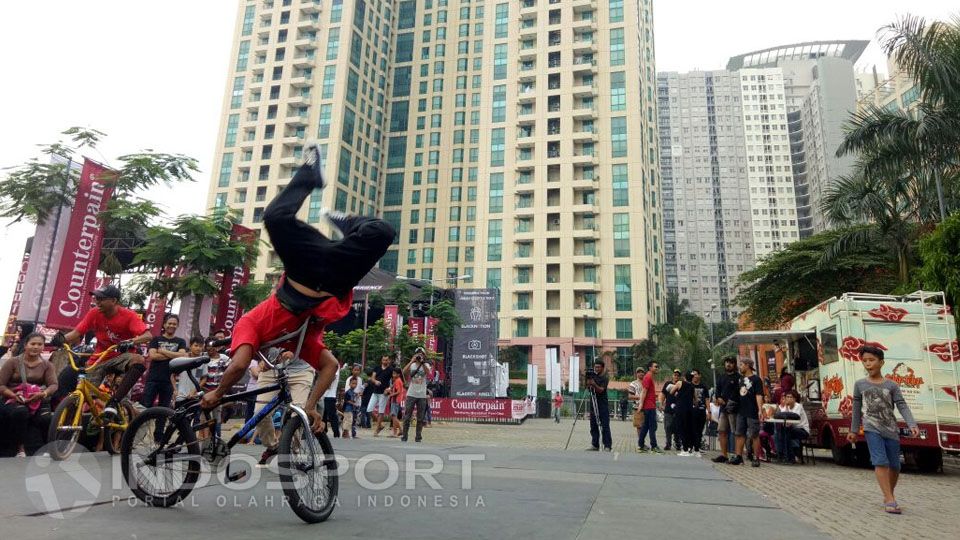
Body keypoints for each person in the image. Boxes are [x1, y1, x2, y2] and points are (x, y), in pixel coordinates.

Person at [200, 147, 395, 435]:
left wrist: (217, 394)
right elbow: (329, 367)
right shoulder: (299, 341)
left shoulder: (250, 323)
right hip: (335, 280)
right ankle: (350, 226)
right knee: (382, 232)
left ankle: (314, 180)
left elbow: (239, 364)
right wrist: (310, 405)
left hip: (303, 272)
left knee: (276, 217)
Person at [52, 284, 153, 418]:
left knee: (138, 360)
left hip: (120, 357)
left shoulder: (129, 316)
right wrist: (61, 339)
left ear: (114, 301)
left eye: (101, 298)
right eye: (96, 298)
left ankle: (114, 401)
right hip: (100, 357)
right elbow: (77, 332)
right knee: (85, 394)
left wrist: (130, 342)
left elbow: (148, 336)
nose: (97, 301)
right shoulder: (94, 313)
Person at [849, 346, 918, 514]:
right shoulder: (860, 385)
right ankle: (889, 498)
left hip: (891, 429)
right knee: (880, 461)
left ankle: (889, 494)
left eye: (871, 360)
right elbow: (856, 408)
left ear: (881, 362)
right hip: (871, 428)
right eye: (864, 361)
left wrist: (912, 424)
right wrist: (853, 430)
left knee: (895, 466)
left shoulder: (892, 385)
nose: (868, 364)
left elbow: (902, 405)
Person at [253, 346, 317, 465]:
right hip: (271, 369)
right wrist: (261, 359)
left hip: (301, 370)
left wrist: (299, 350)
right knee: (260, 413)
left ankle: (293, 450)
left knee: (298, 415)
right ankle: (273, 447)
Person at [0, 333, 58, 457]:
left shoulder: (47, 365)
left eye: (39, 344)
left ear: (43, 347)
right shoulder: (13, 362)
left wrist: (43, 394)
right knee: (21, 412)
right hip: (12, 398)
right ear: (26, 345)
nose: (35, 347)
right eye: (33, 344)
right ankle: (20, 449)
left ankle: (45, 448)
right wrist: (13, 395)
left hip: (36, 400)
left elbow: (53, 385)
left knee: (46, 418)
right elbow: (1, 385)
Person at [141, 314, 187, 408]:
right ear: (164, 325)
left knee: (163, 410)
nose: (172, 326)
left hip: (169, 380)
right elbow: (153, 356)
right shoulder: (156, 339)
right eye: (169, 323)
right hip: (153, 379)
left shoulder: (181, 341)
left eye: (174, 324)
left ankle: (160, 424)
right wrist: (174, 354)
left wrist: (162, 351)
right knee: (145, 407)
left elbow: (182, 355)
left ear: (177, 326)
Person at [730, 358, 764, 467]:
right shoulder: (740, 380)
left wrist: (759, 409)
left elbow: (759, 395)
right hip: (741, 410)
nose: (740, 367)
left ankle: (756, 457)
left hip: (752, 410)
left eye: (741, 364)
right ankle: (739, 457)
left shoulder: (756, 379)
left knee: (754, 434)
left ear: (748, 365)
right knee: (739, 433)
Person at [712, 356, 740, 463]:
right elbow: (717, 389)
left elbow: (738, 392)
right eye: (727, 362)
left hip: (734, 409)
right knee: (722, 431)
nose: (728, 364)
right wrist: (718, 398)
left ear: (734, 364)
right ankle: (724, 455)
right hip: (723, 409)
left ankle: (737, 455)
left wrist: (727, 400)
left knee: (735, 432)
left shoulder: (738, 377)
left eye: (731, 362)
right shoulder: (721, 377)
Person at [401, 348, 431, 442]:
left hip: (422, 394)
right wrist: (411, 361)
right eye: (418, 354)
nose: (419, 355)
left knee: (420, 417)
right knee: (407, 416)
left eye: (421, 354)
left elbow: (428, 373)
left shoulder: (426, 365)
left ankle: (418, 437)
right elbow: (403, 372)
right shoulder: (412, 365)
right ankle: (404, 436)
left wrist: (422, 362)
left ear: (424, 355)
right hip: (411, 393)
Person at [775, 390, 809, 464]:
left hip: (802, 430)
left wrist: (787, 421)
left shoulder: (798, 406)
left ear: (794, 399)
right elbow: (784, 419)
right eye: (787, 397)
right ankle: (781, 456)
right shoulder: (785, 407)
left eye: (791, 397)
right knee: (778, 433)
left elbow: (791, 419)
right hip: (791, 429)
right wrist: (786, 406)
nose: (789, 399)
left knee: (786, 433)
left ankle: (790, 457)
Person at [585, 360, 612, 452]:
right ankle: (595, 444)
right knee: (593, 425)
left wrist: (594, 384)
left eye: (598, 367)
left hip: (602, 405)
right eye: (595, 367)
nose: (596, 369)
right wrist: (589, 381)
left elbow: (601, 390)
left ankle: (607, 445)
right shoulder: (592, 376)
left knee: (605, 426)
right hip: (593, 403)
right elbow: (588, 388)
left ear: (602, 368)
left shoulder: (605, 377)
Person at [367, 355, 396, 436]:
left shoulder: (391, 369)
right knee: (369, 410)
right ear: (381, 360)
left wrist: (389, 389)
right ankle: (380, 425)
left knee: (381, 411)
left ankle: (377, 430)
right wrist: (375, 381)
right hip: (375, 391)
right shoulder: (377, 368)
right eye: (383, 360)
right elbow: (372, 378)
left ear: (389, 361)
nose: (385, 361)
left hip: (384, 393)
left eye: (386, 360)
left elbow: (394, 381)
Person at [637, 361, 662, 453]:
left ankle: (641, 444)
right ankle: (654, 446)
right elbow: (644, 391)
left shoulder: (649, 377)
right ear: (650, 368)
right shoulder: (647, 377)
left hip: (650, 405)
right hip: (649, 406)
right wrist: (641, 404)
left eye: (657, 366)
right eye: (655, 366)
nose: (657, 368)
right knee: (652, 426)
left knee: (646, 426)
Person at [670, 371, 695, 456]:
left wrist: (678, 394)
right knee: (688, 428)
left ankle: (684, 449)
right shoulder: (692, 386)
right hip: (689, 409)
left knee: (681, 428)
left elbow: (671, 392)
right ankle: (689, 448)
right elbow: (695, 400)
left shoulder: (680, 383)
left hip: (680, 409)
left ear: (684, 377)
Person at [175, 337, 208, 402]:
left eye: (200, 346)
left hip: (194, 396)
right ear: (190, 346)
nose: (198, 348)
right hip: (180, 395)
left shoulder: (203, 361)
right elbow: (172, 375)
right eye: (196, 345)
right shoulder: (182, 359)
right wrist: (175, 390)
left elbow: (203, 379)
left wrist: (195, 390)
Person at [660, 369, 682, 451]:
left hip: (678, 410)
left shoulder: (681, 385)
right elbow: (663, 394)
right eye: (675, 374)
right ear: (672, 375)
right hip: (668, 409)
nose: (676, 376)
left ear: (680, 377)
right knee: (668, 427)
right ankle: (668, 444)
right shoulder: (668, 384)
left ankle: (678, 443)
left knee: (678, 427)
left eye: (678, 375)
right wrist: (661, 403)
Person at [322, 360, 342, 438]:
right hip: (324, 395)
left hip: (330, 395)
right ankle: (323, 432)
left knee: (332, 416)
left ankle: (336, 433)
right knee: (323, 416)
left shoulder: (335, 364)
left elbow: (333, 376)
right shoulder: (327, 364)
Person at [691, 369, 708, 455]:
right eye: (693, 374)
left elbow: (707, 399)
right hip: (692, 411)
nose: (694, 376)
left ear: (699, 375)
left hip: (701, 410)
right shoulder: (689, 385)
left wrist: (709, 411)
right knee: (692, 429)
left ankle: (697, 447)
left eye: (696, 374)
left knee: (700, 430)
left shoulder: (704, 386)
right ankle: (691, 446)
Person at [344, 363, 365, 437]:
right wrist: (355, 394)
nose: (356, 371)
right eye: (355, 370)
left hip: (357, 402)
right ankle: (346, 432)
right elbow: (347, 391)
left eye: (358, 370)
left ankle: (353, 433)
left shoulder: (360, 379)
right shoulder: (349, 379)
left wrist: (360, 393)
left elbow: (361, 389)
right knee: (349, 418)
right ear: (352, 370)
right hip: (350, 403)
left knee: (355, 418)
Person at [386, 369, 406, 437]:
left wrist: (390, 395)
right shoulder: (398, 380)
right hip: (396, 400)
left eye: (394, 374)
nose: (393, 375)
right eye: (393, 373)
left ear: (398, 374)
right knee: (394, 416)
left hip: (395, 400)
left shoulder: (397, 381)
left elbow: (398, 391)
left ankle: (399, 430)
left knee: (394, 416)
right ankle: (396, 431)